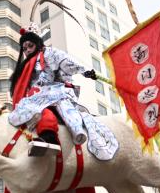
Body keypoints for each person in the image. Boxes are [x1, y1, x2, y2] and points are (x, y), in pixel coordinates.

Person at [7, 23, 116, 159]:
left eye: (30, 46)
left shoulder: (49, 53)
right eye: (25, 48)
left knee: (43, 112)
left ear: (37, 44)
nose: (28, 50)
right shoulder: (25, 66)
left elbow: (65, 61)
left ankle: (50, 140)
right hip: (34, 97)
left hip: (55, 93)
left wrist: (84, 71)